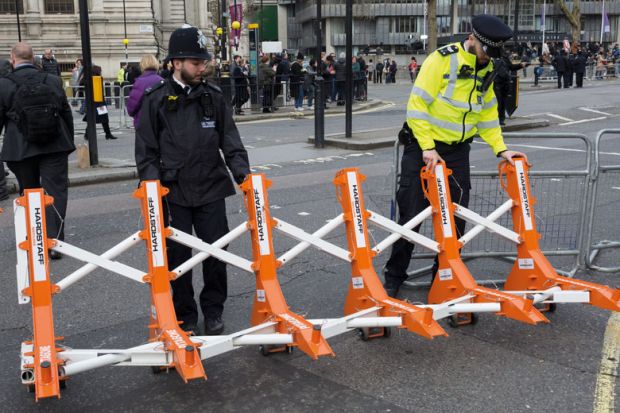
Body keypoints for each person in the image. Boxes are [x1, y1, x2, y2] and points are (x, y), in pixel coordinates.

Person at [383, 15, 527, 298]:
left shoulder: (488, 67)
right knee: (411, 216)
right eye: (487, 51)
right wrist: (427, 146)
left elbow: (486, 114)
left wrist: (501, 149)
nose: (489, 58)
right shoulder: (441, 60)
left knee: (456, 217)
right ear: (472, 39)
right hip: (422, 148)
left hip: (458, 151)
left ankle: (445, 277)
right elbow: (417, 106)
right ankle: (393, 277)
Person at [135, 26, 250, 335]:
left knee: (216, 254)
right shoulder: (155, 99)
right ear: (176, 63)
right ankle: (185, 313)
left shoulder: (212, 96)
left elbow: (231, 141)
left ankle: (214, 310)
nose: (203, 67)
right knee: (178, 258)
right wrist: (152, 188)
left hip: (211, 186)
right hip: (174, 192)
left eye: (204, 62)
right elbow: (145, 152)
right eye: (196, 63)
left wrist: (244, 177)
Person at [0, 42, 75, 258]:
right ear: (33, 59)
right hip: (54, 144)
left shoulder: (4, 84)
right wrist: (67, 141)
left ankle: (34, 237)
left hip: (20, 149)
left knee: (29, 191)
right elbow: (65, 112)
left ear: (13, 59)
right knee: (56, 192)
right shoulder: (51, 80)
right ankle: (54, 242)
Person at [126, 55, 164, 128]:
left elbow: (131, 109)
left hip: (143, 124)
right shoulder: (162, 81)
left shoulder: (140, 82)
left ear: (142, 65)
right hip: (161, 123)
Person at [82, 65, 118, 140]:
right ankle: (89, 134)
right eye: (100, 70)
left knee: (100, 118)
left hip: (96, 101)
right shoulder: (94, 78)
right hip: (98, 102)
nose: (101, 72)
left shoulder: (94, 78)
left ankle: (107, 134)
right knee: (98, 118)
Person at [493, 52, 526, 126]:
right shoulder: (491, 58)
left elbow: (511, 67)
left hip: (505, 83)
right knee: (498, 103)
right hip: (496, 83)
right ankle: (496, 119)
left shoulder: (504, 58)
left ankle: (501, 119)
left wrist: (520, 65)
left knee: (503, 102)